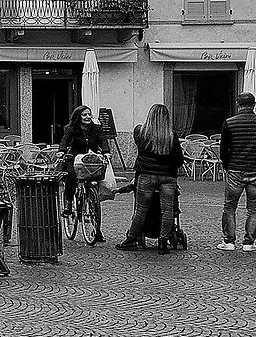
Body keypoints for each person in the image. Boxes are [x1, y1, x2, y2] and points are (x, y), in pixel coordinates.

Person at [215, 91, 256, 252]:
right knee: (253, 208)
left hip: (235, 169)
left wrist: (227, 166)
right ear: (254, 105)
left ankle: (229, 241)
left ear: (238, 104)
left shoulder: (229, 123)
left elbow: (224, 149)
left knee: (230, 206)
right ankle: (249, 242)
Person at [120, 103, 184, 252]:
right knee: (167, 210)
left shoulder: (140, 132)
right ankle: (163, 242)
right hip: (167, 176)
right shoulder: (171, 136)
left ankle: (131, 239)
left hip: (146, 175)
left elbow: (141, 149)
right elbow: (178, 160)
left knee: (141, 209)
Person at [60, 104, 107, 223]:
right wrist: (62, 151)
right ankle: (68, 203)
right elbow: (65, 140)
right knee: (71, 175)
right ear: (79, 117)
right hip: (75, 158)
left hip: (91, 158)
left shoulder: (97, 128)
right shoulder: (72, 129)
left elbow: (103, 140)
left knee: (95, 177)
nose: (88, 117)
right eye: (84, 115)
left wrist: (106, 152)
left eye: (89, 114)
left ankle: (91, 202)